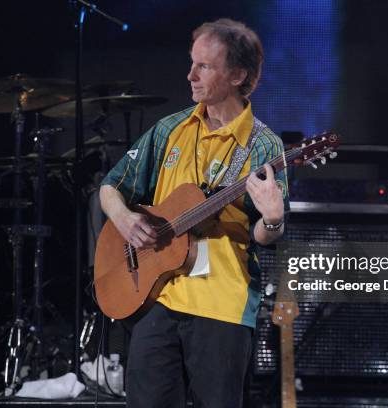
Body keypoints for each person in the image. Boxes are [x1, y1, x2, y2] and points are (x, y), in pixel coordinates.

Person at [99, 18, 289, 408]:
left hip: (223, 303)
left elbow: (264, 234)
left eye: (204, 66)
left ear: (237, 75)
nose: (190, 75)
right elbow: (110, 188)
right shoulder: (170, 129)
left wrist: (273, 219)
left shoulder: (263, 146)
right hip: (159, 297)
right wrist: (125, 219)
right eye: (192, 63)